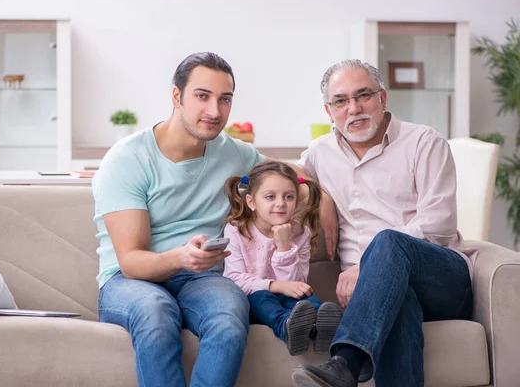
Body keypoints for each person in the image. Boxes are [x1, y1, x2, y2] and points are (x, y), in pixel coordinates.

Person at [291, 59, 474, 387]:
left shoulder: (424, 142)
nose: (354, 108)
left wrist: (370, 265)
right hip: (379, 294)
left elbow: (440, 221)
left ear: (383, 98)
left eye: (364, 96)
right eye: (341, 101)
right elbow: (279, 177)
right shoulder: (320, 153)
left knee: (388, 242)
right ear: (328, 111)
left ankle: (346, 362)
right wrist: (317, 191)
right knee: (396, 296)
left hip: (443, 279)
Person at [92, 52, 265, 387]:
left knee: (230, 316)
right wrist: (182, 257)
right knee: (156, 312)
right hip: (129, 282)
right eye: (202, 96)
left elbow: (289, 177)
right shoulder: (127, 159)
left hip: (201, 279)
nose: (215, 112)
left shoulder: (236, 153)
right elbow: (131, 262)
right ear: (177, 97)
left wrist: (320, 196)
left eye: (224, 99)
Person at [222, 161, 342, 356]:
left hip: (289, 293)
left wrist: (284, 246)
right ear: (251, 202)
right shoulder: (236, 230)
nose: (280, 203)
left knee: (308, 299)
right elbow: (234, 279)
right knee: (262, 299)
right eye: (270, 197)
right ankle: (287, 325)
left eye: (289, 197)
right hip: (255, 296)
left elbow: (296, 283)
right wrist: (274, 286)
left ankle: (322, 328)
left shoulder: (301, 232)